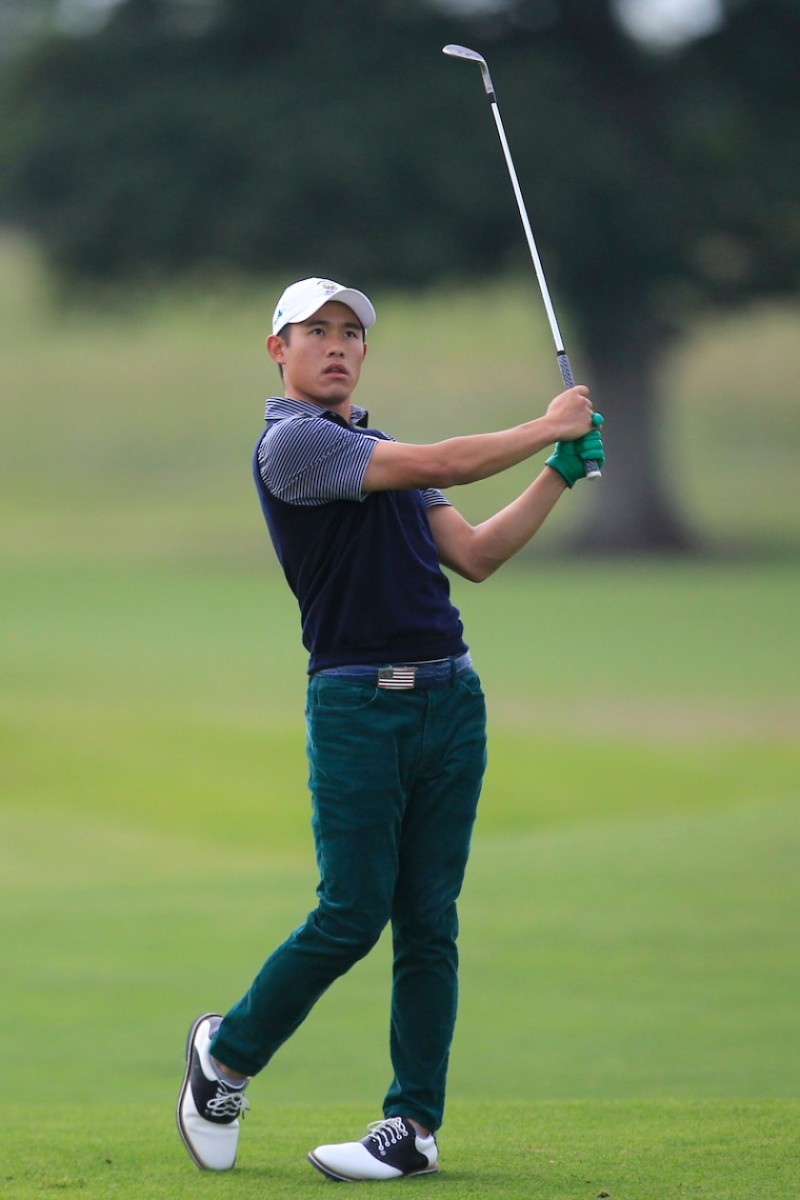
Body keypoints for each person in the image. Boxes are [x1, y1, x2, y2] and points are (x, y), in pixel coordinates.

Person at [177, 276, 604, 1182]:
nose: (336, 345)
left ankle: (410, 1127)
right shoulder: (293, 447)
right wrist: (549, 424)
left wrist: (556, 475)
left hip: (451, 699)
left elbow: (477, 556)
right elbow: (446, 461)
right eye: (315, 331)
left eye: (351, 333)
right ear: (278, 350)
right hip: (358, 704)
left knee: (429, 920)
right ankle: (225, 1058)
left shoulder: (373, 446)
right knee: (351, 912)